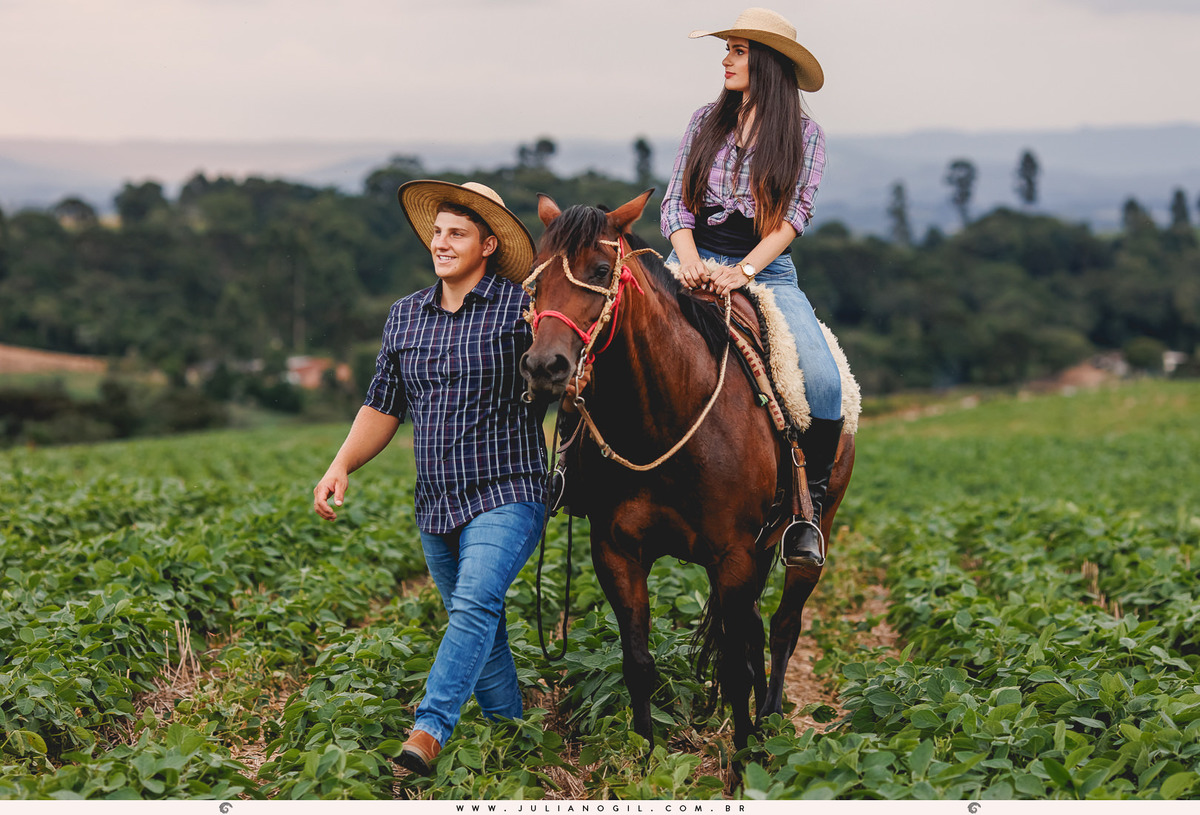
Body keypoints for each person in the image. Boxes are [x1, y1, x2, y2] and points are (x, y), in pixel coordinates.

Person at [312, 180, 547, 776]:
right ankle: (512, 738)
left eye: (458, 234)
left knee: (473, 604)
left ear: (488, 244)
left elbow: (569, 369)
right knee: (478, 624)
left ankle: (429, 728)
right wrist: (341, 463)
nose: (442, 244)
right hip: (436, 501)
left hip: (508, 488)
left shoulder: (522, 310)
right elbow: (382, 406)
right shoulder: (406, 317)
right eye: (437, 233)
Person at [661, 7, 842, 571]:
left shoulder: (806, 136)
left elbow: (792, 218)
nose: (726, 59)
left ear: (765, 62)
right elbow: (675, 203)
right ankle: (574, 473)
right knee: (611, 333)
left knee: (823, 382)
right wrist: (688, 262)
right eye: (729, 49)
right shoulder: (703, 121)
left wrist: (742, 274)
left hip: (765, 264)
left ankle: (803, 510)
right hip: (691, 254)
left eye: (738, 50)